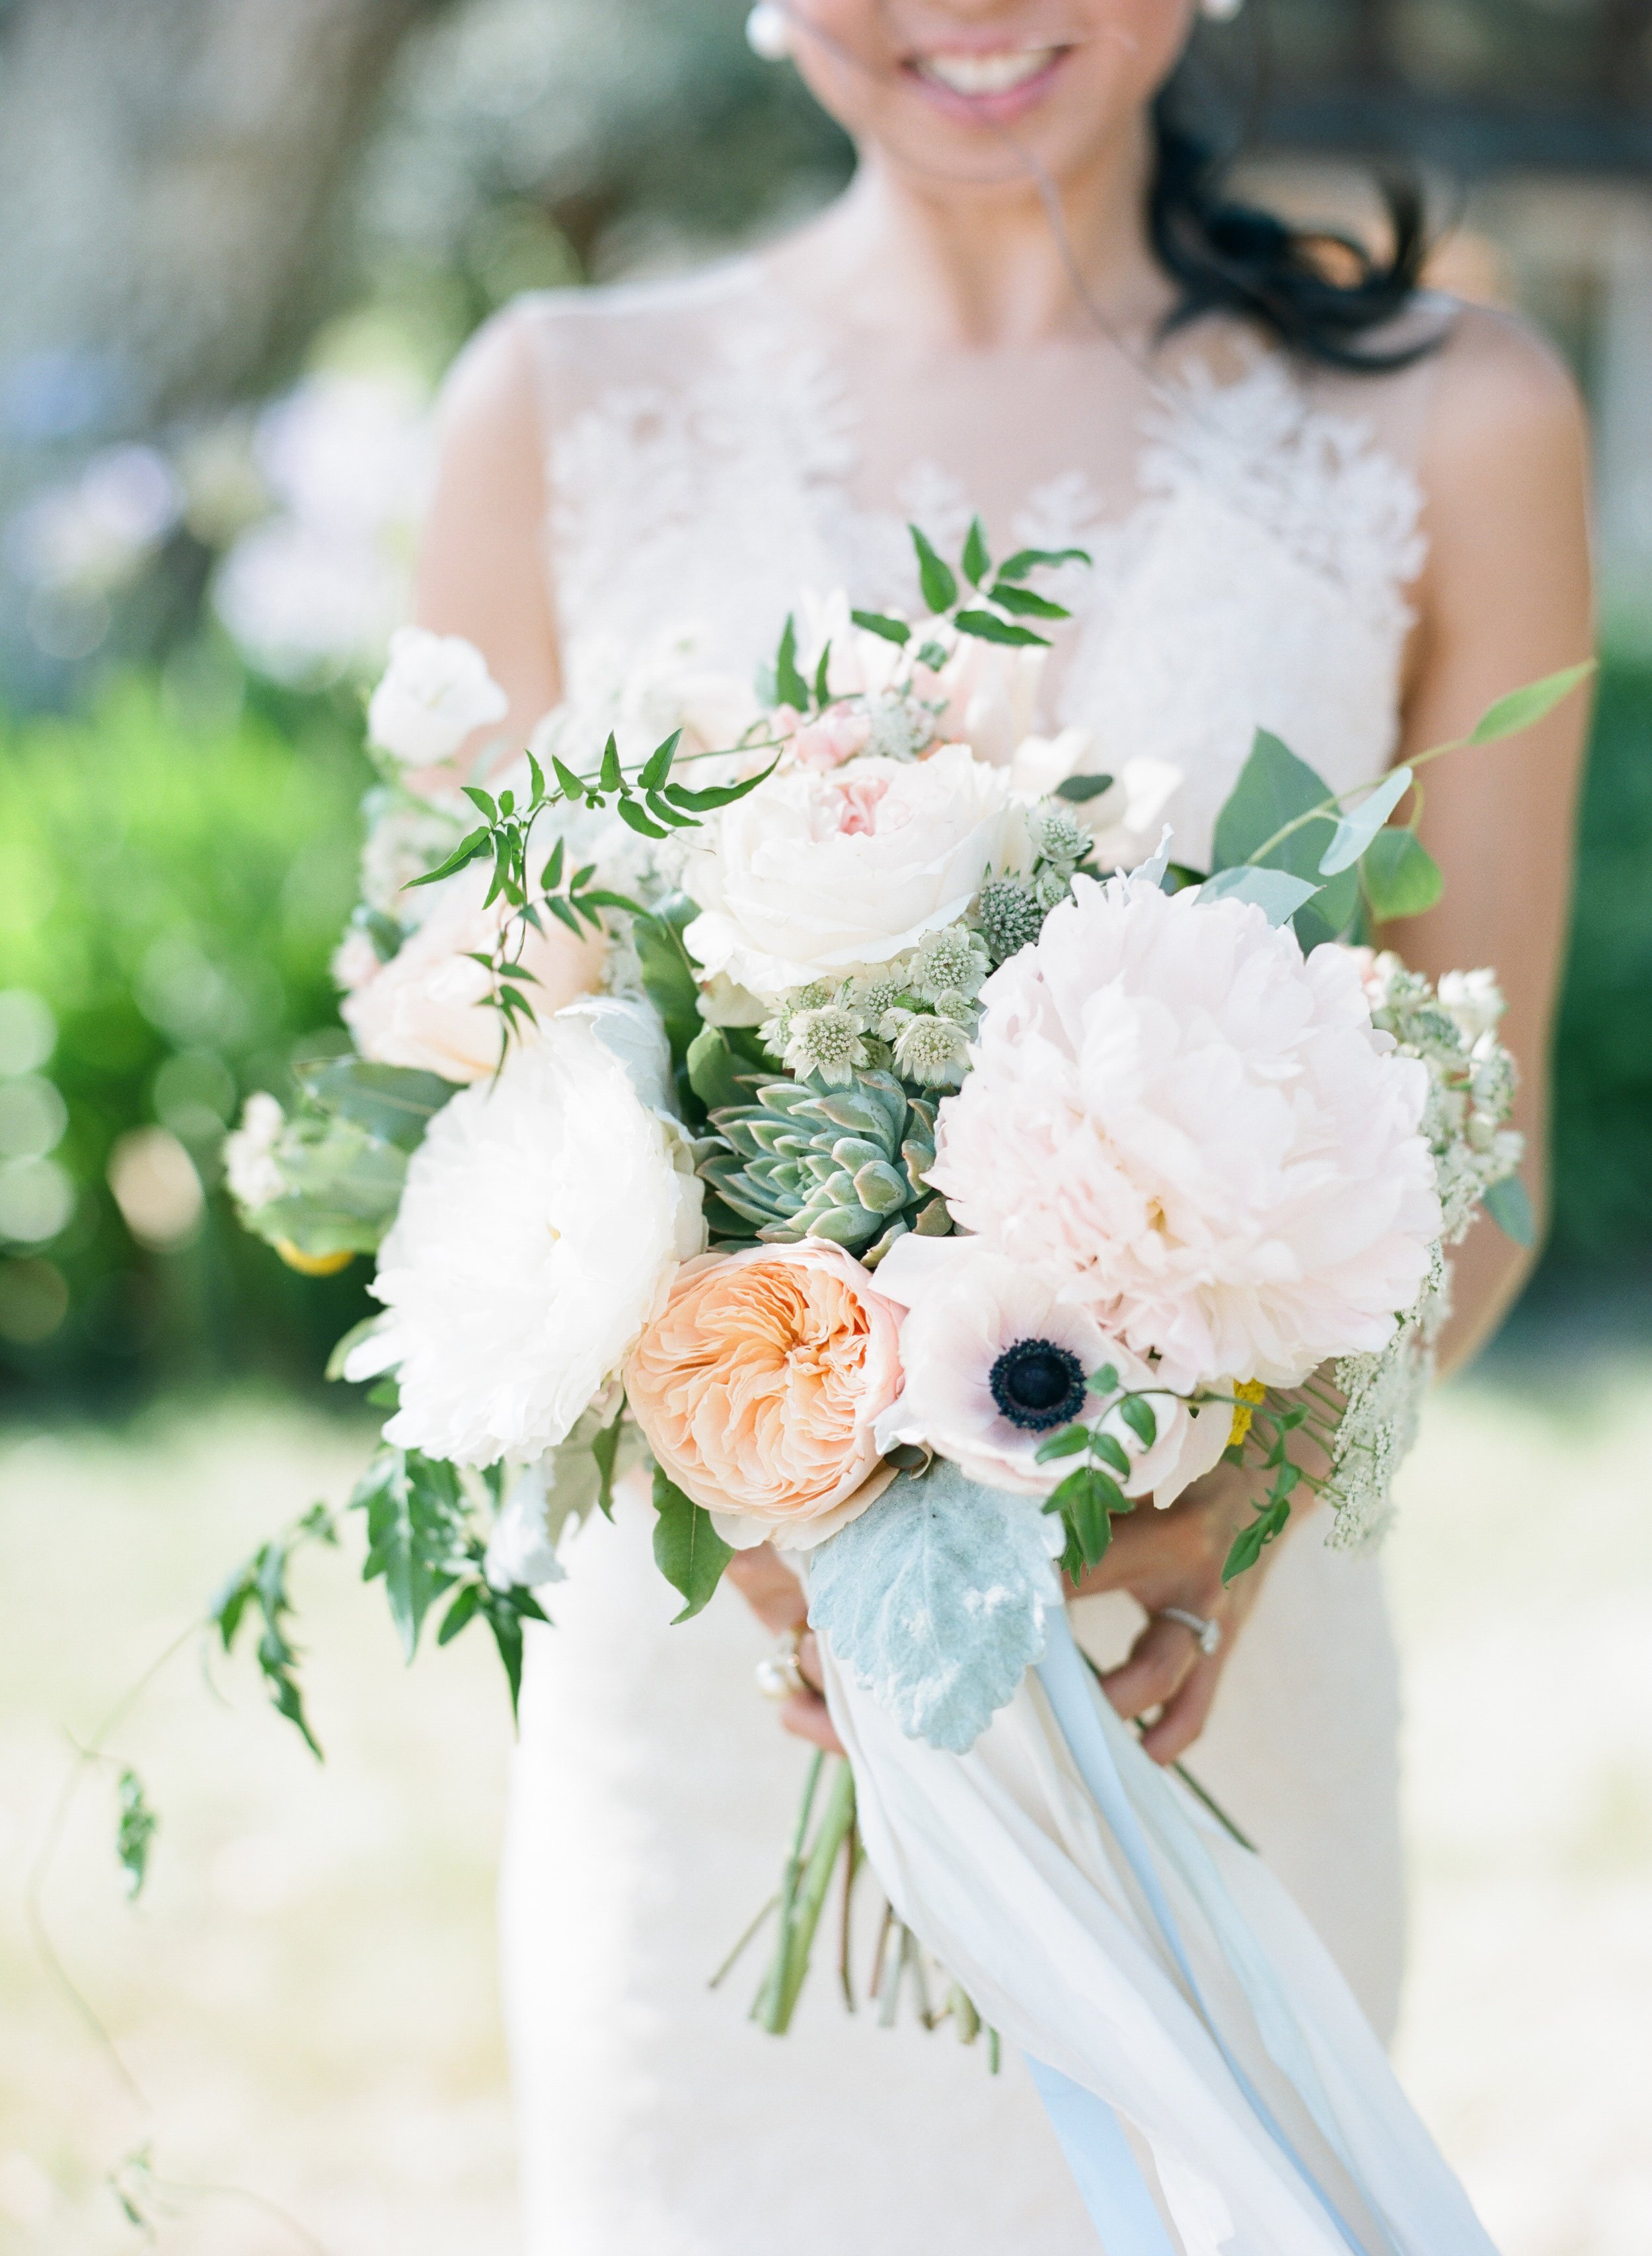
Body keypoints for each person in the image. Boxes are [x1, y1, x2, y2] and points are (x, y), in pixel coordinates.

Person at [410, 3, 1592, 2246]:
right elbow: (503, 1108)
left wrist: (1238, 1505)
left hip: (1215, 1692)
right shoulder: (555, 409)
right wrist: (769, 1499)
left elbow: (1491, 1147)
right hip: (704, 1703)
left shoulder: (1457, 417)